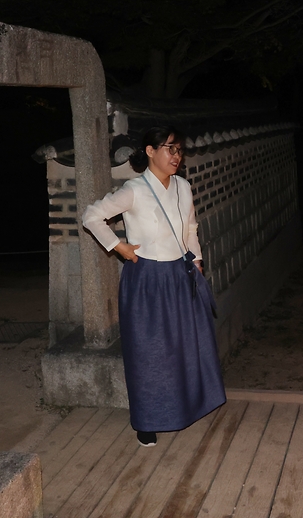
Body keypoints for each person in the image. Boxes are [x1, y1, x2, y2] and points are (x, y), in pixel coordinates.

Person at [82, 126, 226, 447]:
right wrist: (119, 247)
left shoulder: (184, 187)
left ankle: (187, 407)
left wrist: (197, 261)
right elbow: (91, 215)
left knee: (185, 346)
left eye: (179, 150)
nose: (176, 156)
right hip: (146, 278)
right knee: (149, 352)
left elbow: (190, 227)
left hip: (180, 274)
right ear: (150, 151)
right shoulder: (134, 190)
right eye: (169, 149)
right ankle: (146, 422)